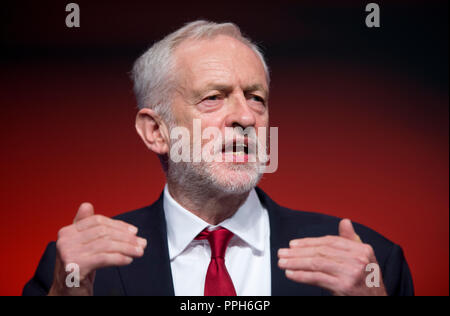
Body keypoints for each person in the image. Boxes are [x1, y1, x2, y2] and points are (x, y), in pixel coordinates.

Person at [23, 20, 414, 296]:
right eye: (213, 97)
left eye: (256, 98)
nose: (245, 117)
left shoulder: (372, 263)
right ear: (156, 131)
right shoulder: (77, 269)